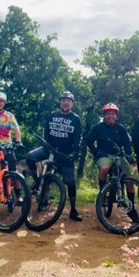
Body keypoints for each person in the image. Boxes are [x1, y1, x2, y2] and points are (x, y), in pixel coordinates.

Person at [26, 91, 83, 221]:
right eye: (63, 100)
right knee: (30, 157)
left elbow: (78, 138)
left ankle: (73, 210)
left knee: (71, 182)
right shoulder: (52, 115)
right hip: (49, 149)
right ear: (60, 102)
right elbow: (45, 131)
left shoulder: (75, 119)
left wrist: (74, 153)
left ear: (72, 104)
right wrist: (46, 145)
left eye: (68, 101)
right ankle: (38, 182)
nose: (65, 102)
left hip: (65, 154)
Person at [87, 103, 138, 222]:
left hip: (119, 156)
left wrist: (128, 154)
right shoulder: (98, 128)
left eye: (113, 114)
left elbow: (127, 143)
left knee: (129, 180)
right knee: (104, 168)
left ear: (116, 116)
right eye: (108, 114)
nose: (110, 116)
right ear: (104, 115)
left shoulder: (121, 128)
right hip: (105, 155)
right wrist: (96, 153)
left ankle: (131, 209)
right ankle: (103, 194)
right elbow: (89, 142)